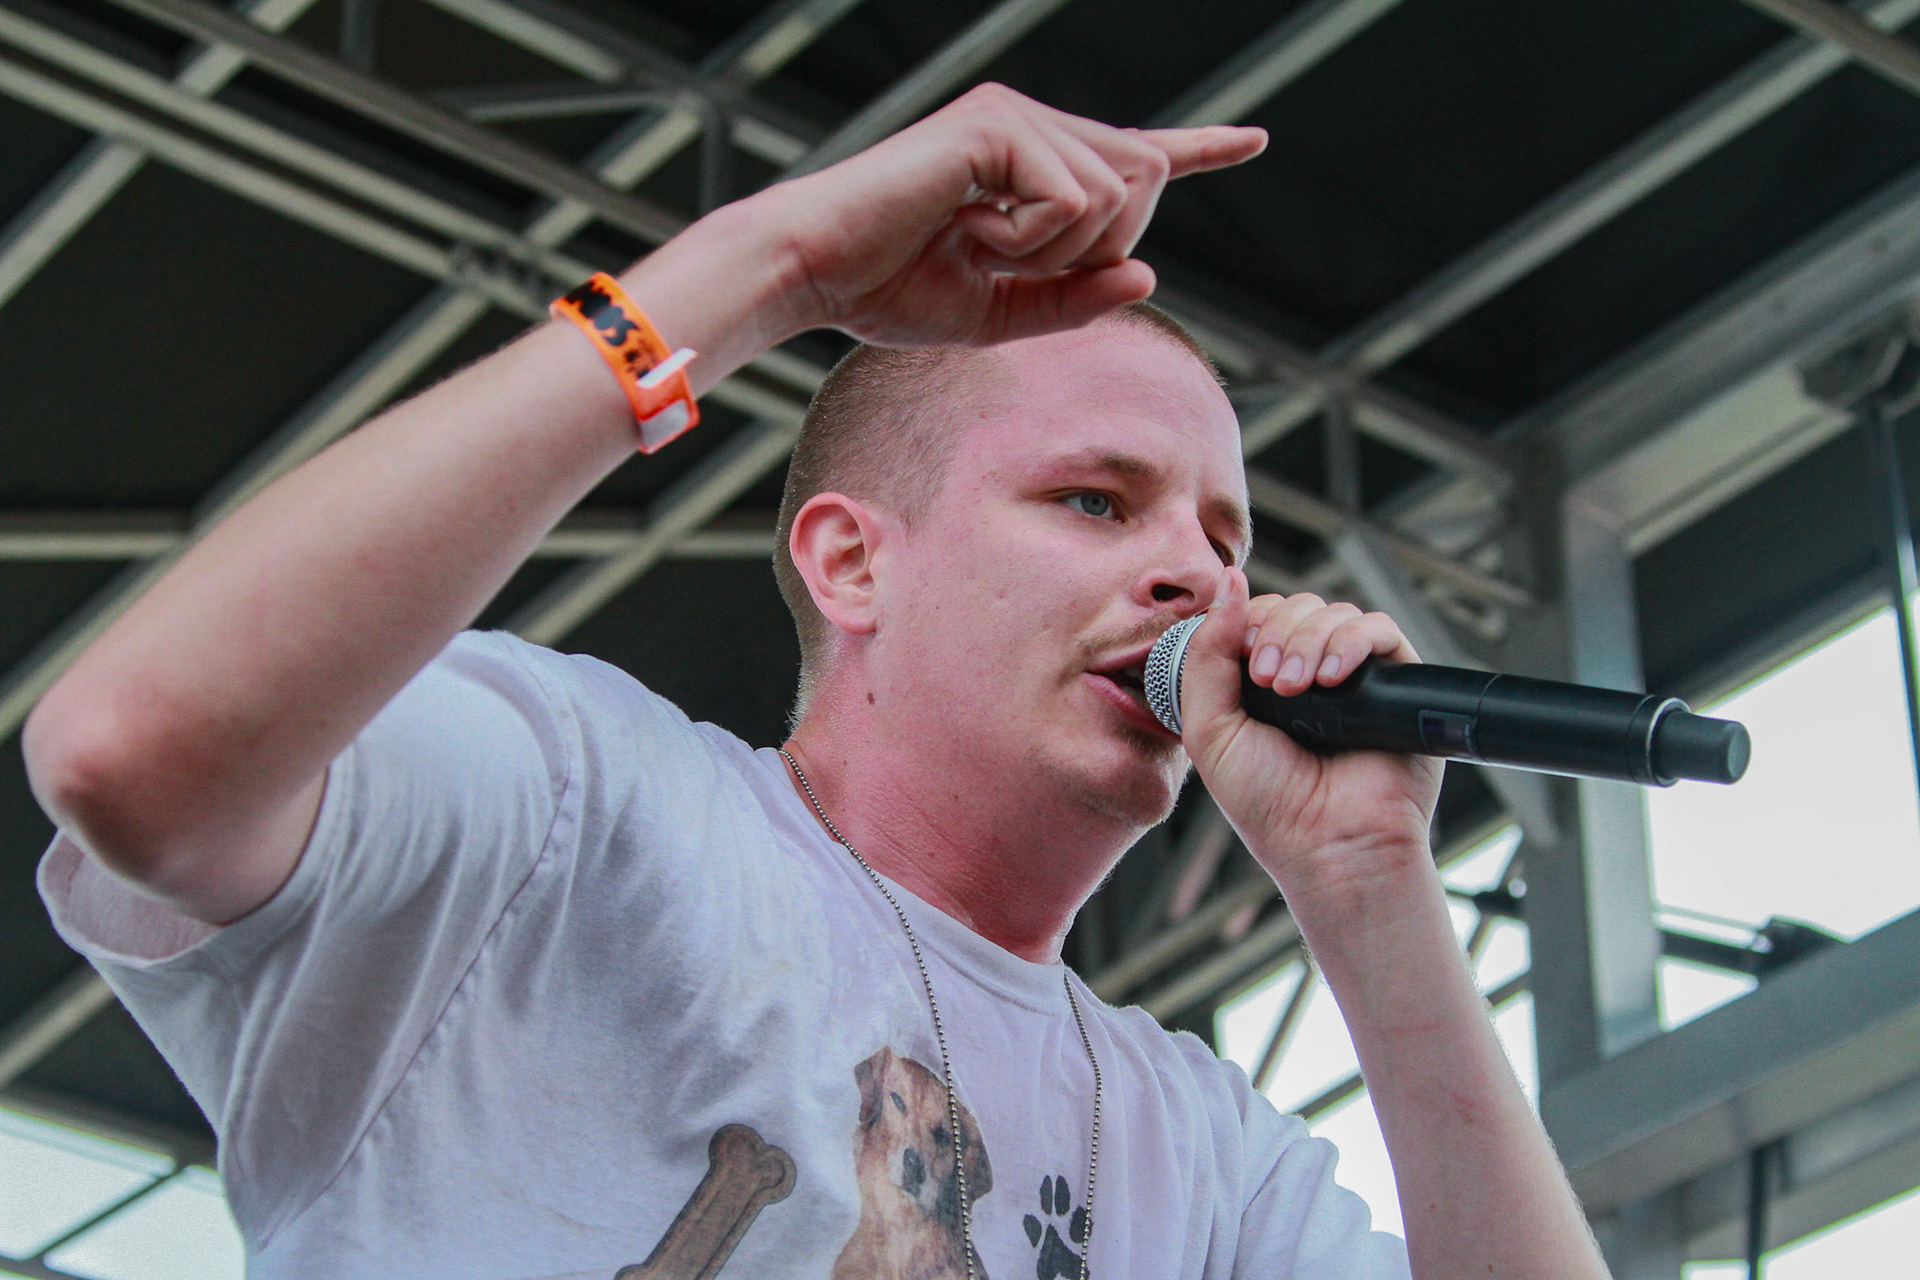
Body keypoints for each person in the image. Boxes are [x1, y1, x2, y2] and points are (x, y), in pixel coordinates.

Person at [24, 84, 1608, 1279]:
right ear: (852, 562)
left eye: (1227, 538)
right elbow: (128, 750)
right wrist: (767, 266)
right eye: (1095, 500)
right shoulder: (579, 801)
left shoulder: (1199, 1148)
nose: (1199, 576)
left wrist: (1368, 883)